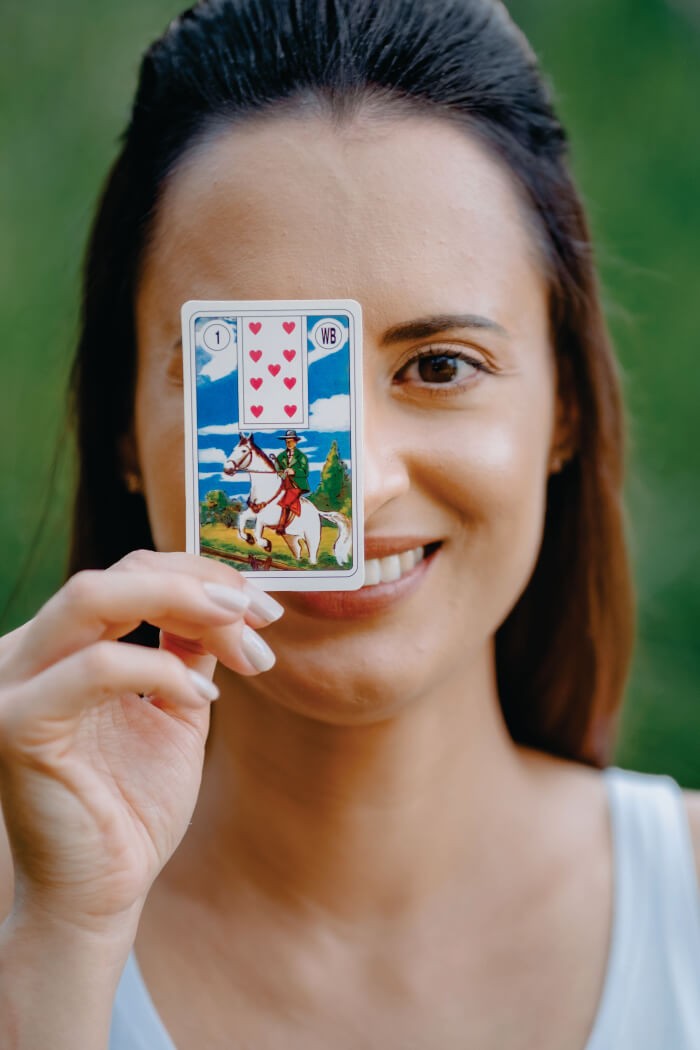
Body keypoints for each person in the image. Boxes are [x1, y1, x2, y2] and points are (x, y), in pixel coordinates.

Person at [0, 1, 699, 1047]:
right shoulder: (32, 921)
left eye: (439, 368)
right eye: (252, 376)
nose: (354, 486)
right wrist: (56, 946)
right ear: (120, 424)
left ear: (563, 409)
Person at [273, 430, 310, 534]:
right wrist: (282, 473)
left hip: (297, 484)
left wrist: (293, 471)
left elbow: (304, 472)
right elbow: (277, 468)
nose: (288, 444)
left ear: (295, 442)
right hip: (284, 483)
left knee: (287, 501)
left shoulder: (301, 456)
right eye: (287, 441)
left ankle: (281, 525)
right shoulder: (281, 456)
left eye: (291, 441)